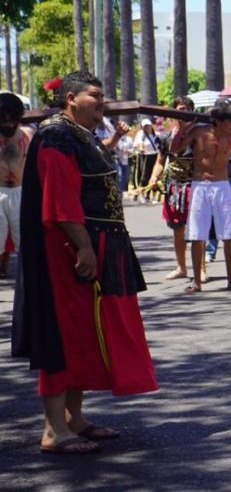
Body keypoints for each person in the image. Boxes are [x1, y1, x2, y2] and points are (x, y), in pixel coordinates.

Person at [11, 71, 157, 455]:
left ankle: (74, 419)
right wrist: (84, 249)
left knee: (84, 333)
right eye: (95, 95)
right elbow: (62, 200)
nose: (103, 102)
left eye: (104, 95)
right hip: (67, 252)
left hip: (95, 245)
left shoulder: (80, 134)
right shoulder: (57, 135)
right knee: (62, 333)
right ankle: (54, 430)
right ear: (71, 98)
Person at [169, 98, 231, 293]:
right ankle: (196, 282)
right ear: (218, 121)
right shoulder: (199, 132)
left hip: (222, 186)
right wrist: (183, 128)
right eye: (230, 121)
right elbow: (175, 149)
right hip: (200, 185)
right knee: (197, 235)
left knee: (230, 234)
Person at [147, 96, 198, 281]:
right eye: (179, 109)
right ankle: (181, 267)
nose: (182, 112)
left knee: (198, 230)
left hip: (195, 186)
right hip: (174, 187)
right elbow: (160, 162)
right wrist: (154, 177)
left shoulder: (198, 135)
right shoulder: (167, 137)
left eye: (186, 109)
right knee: (178, 230)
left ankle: (201, 270)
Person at [0, 92, 33, 264]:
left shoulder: (28, 135)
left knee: (24, 242)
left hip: (21, 192)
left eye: (13, 120)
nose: (9, 124)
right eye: (4, 120)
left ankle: (26, 279)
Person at [133, 119, 161, 204]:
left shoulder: (155, 135)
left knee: (155, 176)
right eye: (145, 126)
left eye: (148, 126)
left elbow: (160, 145)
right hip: (145, 157)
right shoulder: (140, 134)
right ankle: (142, 194)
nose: (147, 128)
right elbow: (138, 145)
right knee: (145, 177)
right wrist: (141, 148)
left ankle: (153, 196)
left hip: (155, 156)